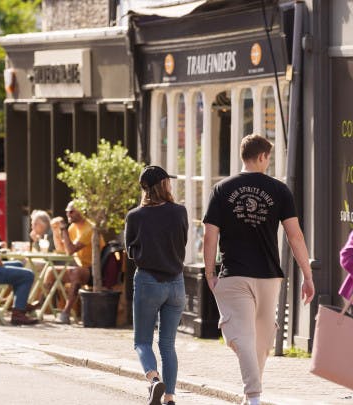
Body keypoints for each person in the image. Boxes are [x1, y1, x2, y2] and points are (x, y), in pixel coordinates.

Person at [203, 134, 315, 405]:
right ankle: (254, 396)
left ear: (243, 155)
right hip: (262, 276)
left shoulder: (222, 189)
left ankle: (248, 395)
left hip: (239, 273)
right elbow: (295, 236)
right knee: (246, 337)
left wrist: (210, 272)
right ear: (263, 157)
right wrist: (307, 274)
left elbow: (209, 235)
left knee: (259, 341)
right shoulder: (279, 190)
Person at [125, 166, 188, 405]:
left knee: (142, 341)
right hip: (177, 284)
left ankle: (153, 380)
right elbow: (182, 241)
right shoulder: (180, 212)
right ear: (163, 185)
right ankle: (170, 397)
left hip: (148, 281)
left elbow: (130, 250)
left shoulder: (135, 216)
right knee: (168, 344)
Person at [49, 201, 105, 324]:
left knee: (76, 273)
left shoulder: (89, 228)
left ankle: (66, 313)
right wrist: (55, 231)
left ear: (82, 211)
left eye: (72, 211)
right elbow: (61, 249)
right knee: (50, 272)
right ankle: (41, 306)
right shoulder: (73, 228)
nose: (68, 213)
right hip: (79, 267)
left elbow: (70, 250)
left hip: (94, 270)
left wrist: (63, 229)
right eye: (67, 211)